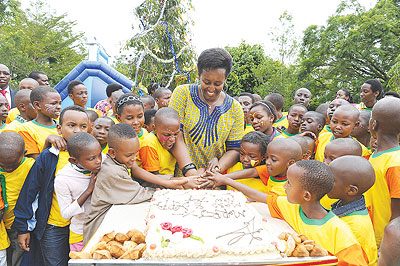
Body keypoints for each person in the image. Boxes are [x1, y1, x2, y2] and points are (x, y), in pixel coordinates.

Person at [208, 160, 368, 266]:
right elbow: (261, 197)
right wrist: (225, 180)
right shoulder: (292, 207)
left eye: (289, 183)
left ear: (306, 195)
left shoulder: (339, 233)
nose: (284, 186)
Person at [13, 105, 89, 266]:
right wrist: (23, 228)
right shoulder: (50, 156)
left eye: (83, 126)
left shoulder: (93, 154)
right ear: (59, 129)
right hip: (54, 225)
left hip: (84, 224)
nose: (77, 131)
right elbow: (30, 191)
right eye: (71, 125)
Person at [169, 48, 244, 174]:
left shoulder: (235, 108)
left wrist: (216, 170)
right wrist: (190, 171)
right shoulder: (183, 94)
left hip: (214, 179)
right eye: (206, 82)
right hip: (181, 177)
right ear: (198, 75)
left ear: (226, 79)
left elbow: (235, 150)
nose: (211, 89)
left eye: (218, 84)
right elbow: (174, 135)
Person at [83, 123, 156, 244]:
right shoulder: (112, 172)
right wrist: (166, 188)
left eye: (136, 153)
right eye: (129, 155)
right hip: (99, 232)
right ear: (112, 153)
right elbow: (139, 194)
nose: (134, 158)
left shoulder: (118, 163)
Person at [55, 132, 102, 252]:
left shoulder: (103, 162)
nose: (98, 161)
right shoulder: (63, 178)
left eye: (99, 155)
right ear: (74, 161)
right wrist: (88, 190)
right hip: (80, 232)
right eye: (92, 158)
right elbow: (65, 214)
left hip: (102, 228)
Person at [206, 138, 302, 196]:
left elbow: (262, 198)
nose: (267, 162)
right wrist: (217, 169)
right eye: (268, 158)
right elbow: (252, 172)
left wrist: (225, 180)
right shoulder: (272, 169)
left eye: (273, 159)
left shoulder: (286, 187)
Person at [328, 156, 377, 265]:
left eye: (331, 180)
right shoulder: (344, 207)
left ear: (351, 190)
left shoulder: (353, 226)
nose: (325, 181)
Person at [365, 97, 400, 246]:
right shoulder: (376, 154)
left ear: (373, 124)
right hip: (372, 237)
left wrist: (389, 245)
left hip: (386, 243)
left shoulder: (395, 163)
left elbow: (398, 214)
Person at [0, 132, 35, 266]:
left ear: (24, 154)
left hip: (18, 226)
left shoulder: (30, 166)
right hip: (1, 226)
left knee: (17, 259)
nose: (8, 168)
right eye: (3, 165)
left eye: (13, 165)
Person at [16, 86, 62, 159]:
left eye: (60, 103)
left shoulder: (63, 125)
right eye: (53, 104)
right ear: (37, 105)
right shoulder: (26, 129)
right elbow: (37, 164)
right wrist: (47, 142)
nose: (59, 107)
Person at [319, 137, 363, 210]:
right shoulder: (323, 175)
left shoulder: (347, 185)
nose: (325, 162)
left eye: (332, 159)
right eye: (325, 157)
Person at [139, 107, 181, 177]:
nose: (172, 139)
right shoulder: (149, 144)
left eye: (176, 134)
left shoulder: (177, 140)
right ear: (154, 129)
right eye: (167, 135)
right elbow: (154, 177)